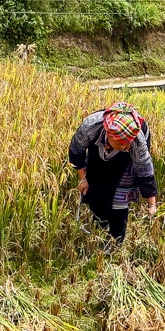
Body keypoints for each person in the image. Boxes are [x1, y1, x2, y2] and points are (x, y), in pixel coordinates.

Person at [67, 102, 158, 248]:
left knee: (119, 198)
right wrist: (82, 179)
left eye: (128, 144)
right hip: (98, 154)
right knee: (95, 190)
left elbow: (145, 171)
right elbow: (76, 151)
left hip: (126, 163)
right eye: (122, 144)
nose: (126, 147)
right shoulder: (91, 127)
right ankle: (99, 229)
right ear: (110, 136)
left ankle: (116, 241)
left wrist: (152, 205)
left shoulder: (135, 141)